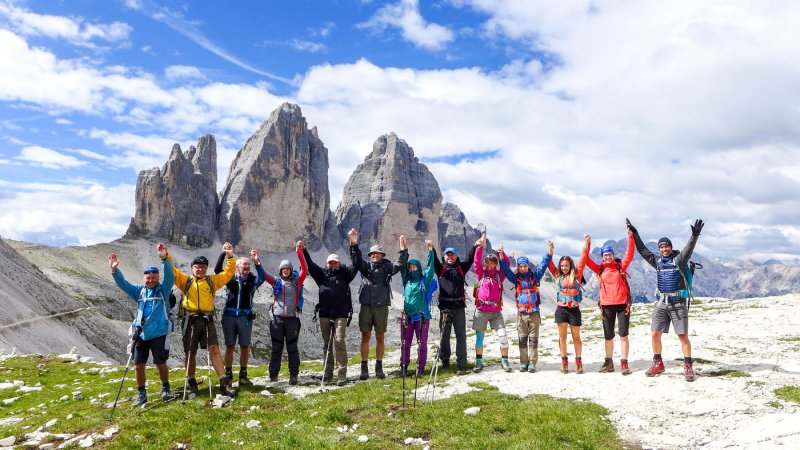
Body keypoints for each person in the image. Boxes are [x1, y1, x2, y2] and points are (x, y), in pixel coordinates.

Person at [628, 218, 704, 382]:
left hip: (678, 303)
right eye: (661, 247)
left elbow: (688, 249)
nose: (664, 249)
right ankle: (658, 363)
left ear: (671, 247)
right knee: (655, 333)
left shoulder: (680, 260)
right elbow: (642, 250)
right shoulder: (657, 262)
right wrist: (635, 234)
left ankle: (688, 366)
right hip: (661, 303)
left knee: (682, 335)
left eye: (666, 246)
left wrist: (695, 235)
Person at [108, 243, 175, 406]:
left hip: (159, 332)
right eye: (148, 277)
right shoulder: (139, 291)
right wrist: (115, 271)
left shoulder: (164, 290)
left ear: (157, 278)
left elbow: (170, 276)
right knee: (138, 365)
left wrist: (164, 257)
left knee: (160, 363)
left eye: (154, 277)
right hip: (141, 333)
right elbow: (124, 285)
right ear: (144, 278)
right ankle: (141, 394)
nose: (151, 280)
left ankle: (166, 390)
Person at [168, 242, 237, 397]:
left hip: (207, 319)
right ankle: (192, 382)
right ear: (192, 268)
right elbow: (171, 270)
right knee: (190, 352)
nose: (200, 269)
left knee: (214, 350)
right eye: (197, 267)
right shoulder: (185, 281)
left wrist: (230, 256)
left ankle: (224, 382)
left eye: (203, 267)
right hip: (190, 320)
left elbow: (228, 273)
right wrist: (166, 256)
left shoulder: (212, 281)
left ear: (207, 268)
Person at [348, 229, 409, 380]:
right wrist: (354, 244)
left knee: (380, 336)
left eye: (378, 254)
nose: (375, 255)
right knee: (366, 336)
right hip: (366, 306)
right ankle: (364, 368)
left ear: (382, 256)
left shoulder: (387, 268)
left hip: (381, 306)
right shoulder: (365, 267)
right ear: (370, 256)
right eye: (373, 254)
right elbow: (356, 260)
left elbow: (400, 264)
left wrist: (403, 250)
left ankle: (379, 367)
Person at [304, 247, 359, 386]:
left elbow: (356, 263)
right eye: (330, 263)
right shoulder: (321, 274)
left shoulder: (346, 274)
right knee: (327, 343)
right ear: (326, 263)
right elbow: (309, 264)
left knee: (339, 341)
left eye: (335, 262)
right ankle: (328, 373)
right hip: (325, 313)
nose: (333, 265)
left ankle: (342, 374)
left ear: (339, 263)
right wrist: (304, 249)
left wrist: (354, 246)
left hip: (341, 314)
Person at [585, 229, 635, 375]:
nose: (607, 257)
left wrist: (630, 237)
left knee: (623, 335)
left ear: (613, 255)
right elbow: (586, 260)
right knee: (608, 336)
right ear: (602, 257)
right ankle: (609, 363)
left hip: (622, 305)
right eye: (605, 255)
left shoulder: (620, 266)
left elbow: (629, 254)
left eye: (609, 255)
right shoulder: (599, 269)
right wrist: (587, 244)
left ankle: (624, 363)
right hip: (606, 306)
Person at [213, 248, 266, 387]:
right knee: (229, 345)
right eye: (245, 265)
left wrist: (257, 262)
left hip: (245, 317)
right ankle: (228, 374)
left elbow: (263, 277)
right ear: (237, 267)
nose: (247, 268)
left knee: (244, 346)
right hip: (229, 316)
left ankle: (243, 375)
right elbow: (217, 270)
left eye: (248, 265)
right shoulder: (230, 277)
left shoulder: (252, 280)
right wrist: (224, 253)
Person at [497, 243, 553, 373]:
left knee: (533, 339)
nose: (523, 268)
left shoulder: (535, 276)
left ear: (528, 266)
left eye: (525, 266)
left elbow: (543, 266)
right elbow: (505, 270)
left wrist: (549, 254)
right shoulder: (515, 278)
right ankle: (523, 362)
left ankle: (532, 363)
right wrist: (501, 257)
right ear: (518, 267)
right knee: (522, 339)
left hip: (534, 312)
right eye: (520, 266)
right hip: (521, 313)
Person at [431, 240, 479, 375]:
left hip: (458, 307)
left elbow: (470, 259)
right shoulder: (440, 268)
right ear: (444, 257)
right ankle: (445, 362)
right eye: (447, 255)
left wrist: (475, 246)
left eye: (452, 255)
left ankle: (462, 364)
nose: (450, 257)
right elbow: (434, 260)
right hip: (445, 307)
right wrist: (432, 249)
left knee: (461, 336)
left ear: (456, 256)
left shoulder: (461, 268)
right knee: (444, 337)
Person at [263, 241, 308, 385]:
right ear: (280, 270)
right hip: (276, 319)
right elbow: (262, 274)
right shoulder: (275, 281)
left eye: (288, 268)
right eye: (283, 268)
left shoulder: (297, 282)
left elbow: (304, 270)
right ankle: (273, 374)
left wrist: (299, 253)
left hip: (291, 319)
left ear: (290, 270)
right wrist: (256, 262)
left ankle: (293, 374)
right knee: (276, 348)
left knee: (292, 347)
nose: (285, 270)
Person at [548, 235, 589, 374]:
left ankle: (578, 362)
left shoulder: (577, 274)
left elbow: (583, 259)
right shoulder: (557, 275)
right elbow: (549, 264)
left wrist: (586, 243)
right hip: (561, 309)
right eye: (562, 265)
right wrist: (551, 251)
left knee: (576, 337)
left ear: (570, 265)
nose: (564, 267)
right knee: (562, 337)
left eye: (566, 265)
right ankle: (564, 362)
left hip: (574, 309)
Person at [472, 237, 512, 373]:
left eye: (493, 263)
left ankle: (505, 360)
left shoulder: (499, 276)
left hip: (495, 311)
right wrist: (479, 248)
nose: (490, 265)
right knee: (479, 338)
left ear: (496, 264)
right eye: (488, 262)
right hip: (481, 310)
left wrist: (502, 253)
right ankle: (479, 361)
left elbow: (506, 264)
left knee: (503, 336)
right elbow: (476, 262)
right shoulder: (480, 274)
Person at [399, 240, 437, 376]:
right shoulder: (406, 280)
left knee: (421, 344)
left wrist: (431, 251)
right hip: (407, 317)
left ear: (418, 268)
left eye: (414, 267)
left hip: (421, 317)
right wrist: (404, 250)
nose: (411, 269)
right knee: (405, 343)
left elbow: (430, 268)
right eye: (410, 268)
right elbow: (402, 266)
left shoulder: (424, 281)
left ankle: (420, 368)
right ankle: (404, 365)